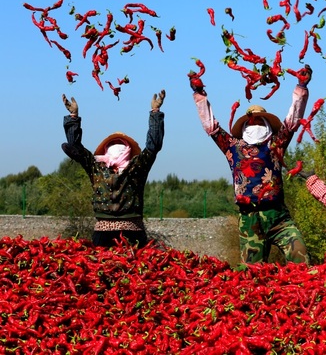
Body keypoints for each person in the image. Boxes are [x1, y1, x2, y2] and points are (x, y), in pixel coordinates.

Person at [191, 67, 312, 264]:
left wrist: (301, 87)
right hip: (250, 219)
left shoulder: (276, 144)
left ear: (267, 125)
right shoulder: (233, 147)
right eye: (252, 122)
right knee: (252, 274)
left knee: (300, 254)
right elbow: (211, 127)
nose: (256, 125)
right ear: (245, 127)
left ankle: (305, 291)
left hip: (278, 216)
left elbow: (292, 122)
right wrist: (199, 93)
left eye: (260, 121)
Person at [61, 90, 166, 248]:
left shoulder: (135, 167)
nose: (117, 151)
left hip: (131, 230)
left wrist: (155, 113)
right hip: (110, 231)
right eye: (114, 146)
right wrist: (73, 117)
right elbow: (76, 148)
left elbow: (153, 147)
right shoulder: (99, 167)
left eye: (121, 148)